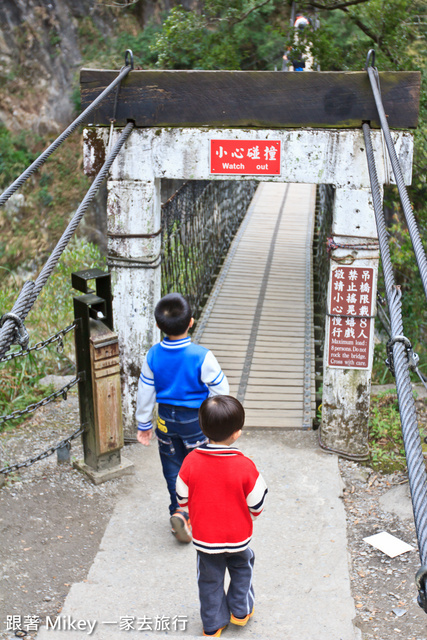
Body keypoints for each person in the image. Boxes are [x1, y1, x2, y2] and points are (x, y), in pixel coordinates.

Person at [136, 292, 229, 544]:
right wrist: (218, 421)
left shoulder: (153, 355)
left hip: (165, 420)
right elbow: (222, 390)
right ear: (191, 322)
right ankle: (199, 516)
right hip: (194, 422)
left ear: (158, 326)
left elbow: (145, 391)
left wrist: (144, 425)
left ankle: (179, 511)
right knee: (201, 467)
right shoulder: (201, 356)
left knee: (173, 469)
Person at [176, 396, 268, 637]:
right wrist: (252, 515)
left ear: (202, 427)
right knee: (242, 569)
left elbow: (181, 497)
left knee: (209, 579)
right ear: (237, 433)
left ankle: (213, 624)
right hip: (238, 536)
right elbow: (257, 503)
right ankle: (240, 610)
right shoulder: (245, 465)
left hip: (206, 538)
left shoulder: (191, 461)